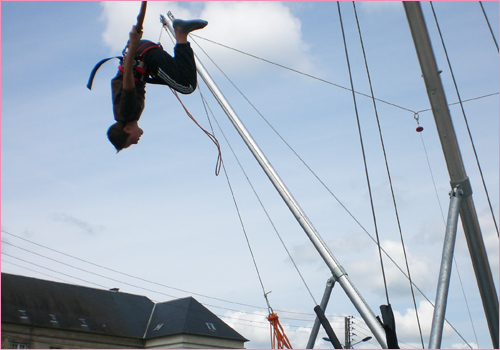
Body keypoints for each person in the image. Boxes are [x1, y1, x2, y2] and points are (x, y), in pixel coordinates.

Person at [107, 18, 208, 152]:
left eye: (131, 141)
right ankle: (181, 34)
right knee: (181, 79)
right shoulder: (122, 113)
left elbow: (127, 80)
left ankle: (181, 33)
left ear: (127, 129)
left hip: (143, 56)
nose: (136, 142)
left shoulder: (127, 113)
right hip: (143, 56)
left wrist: (132, 45)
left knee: (187, 85)